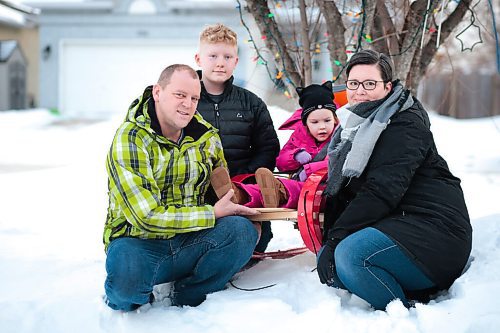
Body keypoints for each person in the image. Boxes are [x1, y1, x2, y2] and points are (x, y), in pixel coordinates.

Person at [316, 50, 472, 310]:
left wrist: (336, 239)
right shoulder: (359, 123)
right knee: (334, 263)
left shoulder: (405, 125)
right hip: (399, 221)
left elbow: (381, 191)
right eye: (353, 84)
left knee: (350, 256)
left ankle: (401, 312)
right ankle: (403, 284)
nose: (359, 91)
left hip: (436, 232)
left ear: (387, 87)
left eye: (369, 84)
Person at [103, 64, 259, 311]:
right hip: (139, 243)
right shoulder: (132, 137)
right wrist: (212, 214)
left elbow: (222, 189)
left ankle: (191, 293)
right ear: (157, 92)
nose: (188, 104)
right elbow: (145, 216)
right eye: (180, 95)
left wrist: (244, 202)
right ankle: (136, 294)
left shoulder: (206, 138)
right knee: (126, 287)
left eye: (194, 98)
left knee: (242, 231)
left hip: (190, 239)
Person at [195, 23, 280, 252]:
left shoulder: (250, 102)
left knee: (256, 241)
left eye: (227, 56)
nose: (220, 62)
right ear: (198, 59)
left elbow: (268, 146)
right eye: (212, 55)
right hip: (196, 191)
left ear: (236, 61)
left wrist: (247, 177)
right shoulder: (187, 100)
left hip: (240, 189)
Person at [210, 81, 339, 209]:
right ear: (306, 123)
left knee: (290, 188)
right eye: (315, 122)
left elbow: (337, 162)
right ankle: (238, 193)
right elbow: (281, 162)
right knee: (269, 188)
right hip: (302, 185)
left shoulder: (340, 137)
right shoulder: (300, 137)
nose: (322, 126)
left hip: (325, 189)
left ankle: (274, 193)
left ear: (335, 119)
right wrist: (294, 156)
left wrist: (309, 170)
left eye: (327, 120)